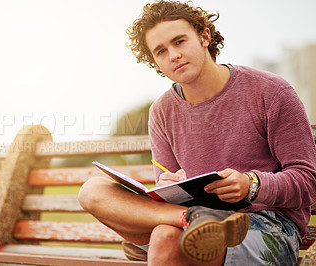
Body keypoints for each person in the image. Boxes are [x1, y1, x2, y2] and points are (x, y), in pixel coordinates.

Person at [78, 1, 316, 265]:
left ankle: (167, 235)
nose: (173, 55)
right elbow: (166, 191)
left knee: (164, 240)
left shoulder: (271, 92)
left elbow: (308, 182)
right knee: (92, 190)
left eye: (179, 41)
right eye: (161, 51)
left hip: (268, 225)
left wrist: (251, 186)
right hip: (188, 221)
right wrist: (168, 187)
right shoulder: (161, 111)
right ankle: (191, 219)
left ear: (204, 36)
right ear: (155, 62)